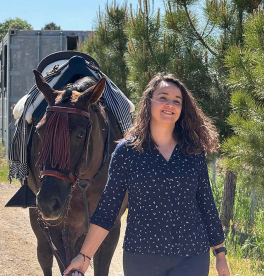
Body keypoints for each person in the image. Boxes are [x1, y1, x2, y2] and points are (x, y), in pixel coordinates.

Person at [63, 73, 230, 276]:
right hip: (142, 257)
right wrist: (84, 256)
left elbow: (206, 203)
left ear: (182, 109)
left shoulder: (193, 151)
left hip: (192, 256)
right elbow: (108, 208)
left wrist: (220, 254)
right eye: (163, 97)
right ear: (149, 102)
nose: (170, 104)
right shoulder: (127, 152)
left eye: (177, 101)